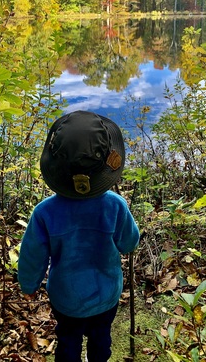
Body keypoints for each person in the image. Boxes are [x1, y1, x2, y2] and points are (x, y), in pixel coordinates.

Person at [18, 110, 139, 362]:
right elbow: (129, 243)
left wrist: (29, 286)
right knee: (101, 340)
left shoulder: (44, 212)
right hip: (106, 295)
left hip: (66, 297)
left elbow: (32, 256)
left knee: (68, 340)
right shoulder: (115, 205)